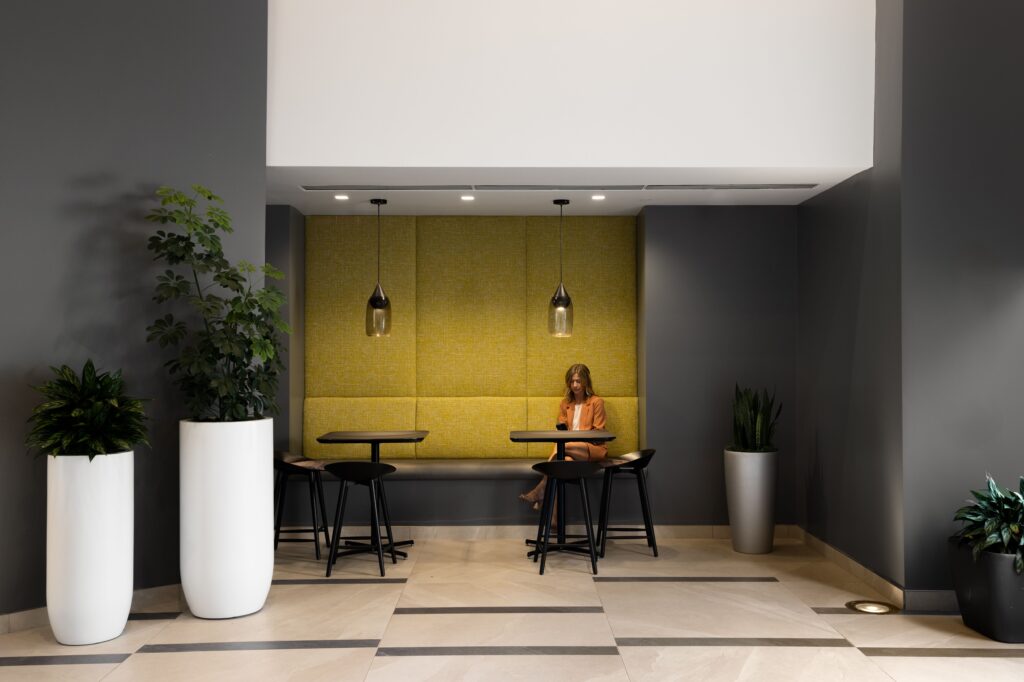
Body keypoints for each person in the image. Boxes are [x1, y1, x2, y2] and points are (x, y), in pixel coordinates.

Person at [518, 363, 608, 510]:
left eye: (578, 381)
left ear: (585, 381)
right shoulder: (565, 404)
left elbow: (599, 432)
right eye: (572, 381)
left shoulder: (596, 402)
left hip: (592, 449)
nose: (575, 385)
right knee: (561, 463)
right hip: (570, 451)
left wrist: (577, 439)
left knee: (562, 447)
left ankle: (540, 491)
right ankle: (554, 521)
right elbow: (562, 429)